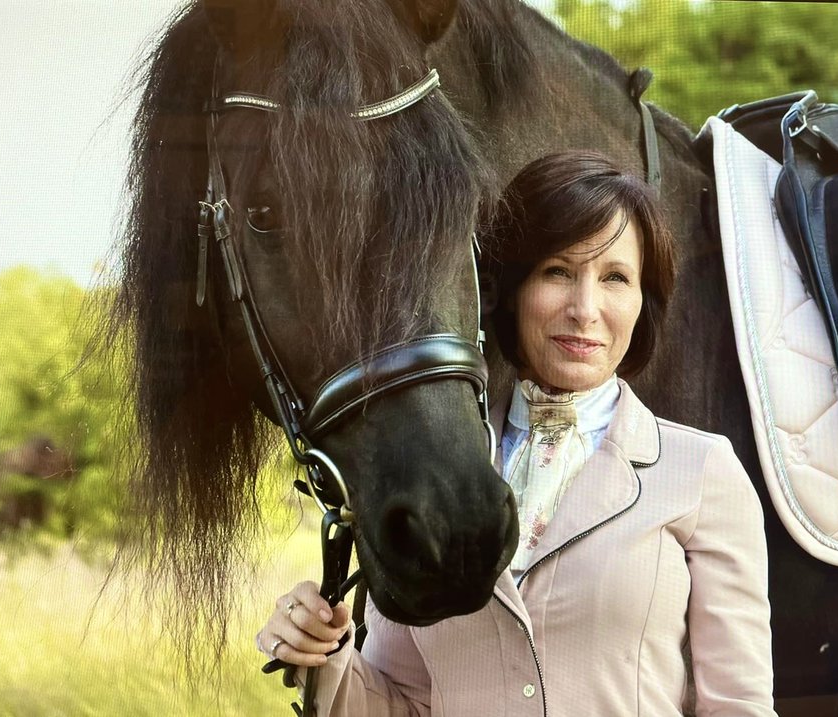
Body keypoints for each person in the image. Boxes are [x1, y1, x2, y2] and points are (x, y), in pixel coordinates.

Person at [256, 150, 776, 715]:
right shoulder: (434, 478)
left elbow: (738, 707)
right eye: (557, 271)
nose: (585, 309)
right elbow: (403, 703)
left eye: (615, 278)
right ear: (509, 288)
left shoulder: (702, 473)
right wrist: (322, 655)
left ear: (641, 302)